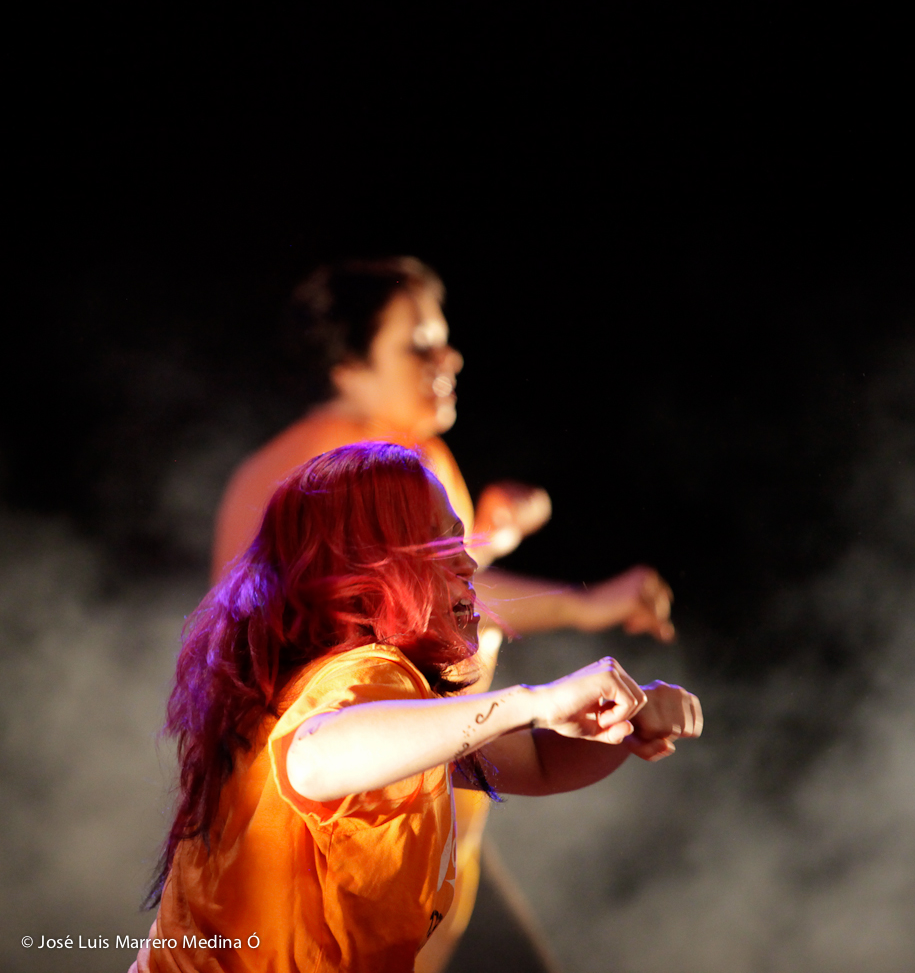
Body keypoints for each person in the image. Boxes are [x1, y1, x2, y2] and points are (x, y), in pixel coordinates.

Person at [209, 257, 677, 971]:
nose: (448, 358)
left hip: (425, 805)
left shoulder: (414, 457)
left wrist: (505, 553)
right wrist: (549, 666)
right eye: (418, 345)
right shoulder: (326, 476)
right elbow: (314, 739)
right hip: (333, 847)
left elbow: (450, 608)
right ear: (347, 366)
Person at [134, 443, 701, 972]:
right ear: (365, 571)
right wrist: (534, 701)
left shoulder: (399, 705)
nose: (469, 566)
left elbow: (541, 763)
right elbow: (312, 757)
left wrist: (627, 720)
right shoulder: (360, 673)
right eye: (442, 546)